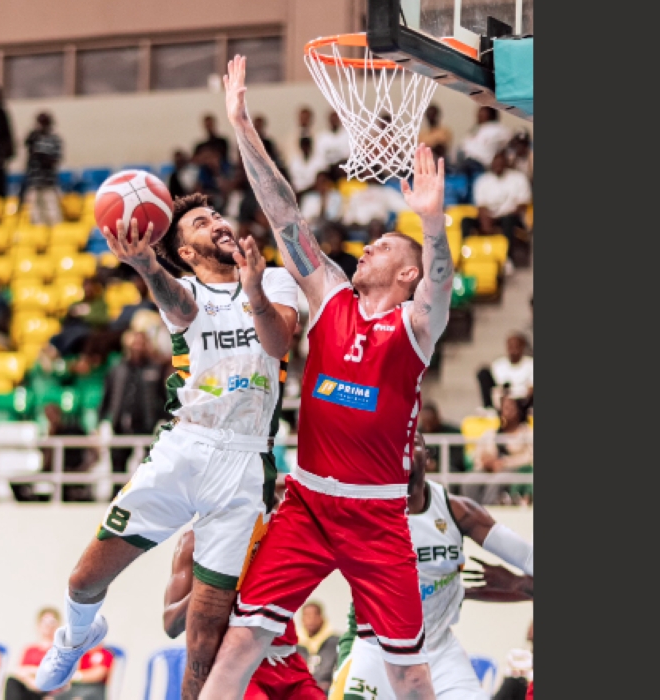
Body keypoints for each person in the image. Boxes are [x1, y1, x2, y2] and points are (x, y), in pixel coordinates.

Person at [200, 56, 457, 700]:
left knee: (409, 671)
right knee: (243, 640)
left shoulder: (416, 326)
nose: (368, 246)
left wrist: (430, 223)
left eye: (385, 247)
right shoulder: (331, 295)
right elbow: (285, 214)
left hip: (376, 514)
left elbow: (442, 283)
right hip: (308, 500)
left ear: (407, 273)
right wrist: (242, 126)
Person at [31, 193, 299, 700]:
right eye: (203, 222)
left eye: (218, 215)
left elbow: (278, 343)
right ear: (188, 252)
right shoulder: (184, 291)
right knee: (84, 582)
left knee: (203, 641)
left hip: (245, 466)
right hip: (183, 449)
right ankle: (76, 636)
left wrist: (254, 289)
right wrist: (147, 266)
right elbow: (178, 304)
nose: (218, 222)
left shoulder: (273, 279)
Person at [329, 432, 534, 700]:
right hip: (375, 649)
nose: (403, 450)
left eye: (412, 443)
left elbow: (529, 558)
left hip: (438, 652)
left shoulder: (458, 511)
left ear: (428, 457)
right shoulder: (367, 512)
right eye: (395, 444)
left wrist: (521, 584)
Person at [163, 529, 326, 700]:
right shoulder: (194, 541)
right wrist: (211, 586)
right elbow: (171, 625)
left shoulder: (280, 527)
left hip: (287, 661)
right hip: (238, 665)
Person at [99, 330, 169, 479]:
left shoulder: (155, 369)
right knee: (117, 469)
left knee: (146, 470)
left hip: (146, 427)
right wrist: (103, 421)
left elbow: (163, 398)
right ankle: (117, 499)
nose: (137, 346)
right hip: (120, 427)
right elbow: (107, 397)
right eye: (134, 342)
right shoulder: (117, 369)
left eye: (141, 342)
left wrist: (164, 420)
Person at [461, 153, 531, 250]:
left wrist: (507, 215)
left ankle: (507, 256)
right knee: (465, 221)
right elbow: (481, 205)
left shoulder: (518, 178)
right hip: (489, 217)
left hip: (511, 216)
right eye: (496, 163)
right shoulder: (483, 180)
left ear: (506, 163)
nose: (498, 165)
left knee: (508, 221)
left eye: (501, 163)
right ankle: (466, 252)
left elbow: (523, 204)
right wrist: (486, 221)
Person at [472, 397, 534, 506]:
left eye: (512, 408)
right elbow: (478, 454)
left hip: (514, 469)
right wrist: (486, 461)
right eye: (506, 408)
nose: (508, 411)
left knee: (498, 479)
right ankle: (469, 510)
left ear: (519, 410)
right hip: (489, 468)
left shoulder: (527, 432)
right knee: (470, 480)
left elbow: (530, 457)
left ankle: (487, 509)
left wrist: (505, 462)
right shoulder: (491, 433)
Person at [8, 608, 61, 700]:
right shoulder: (29, 649)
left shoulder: (60, 649)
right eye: (45, 621)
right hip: (31, 687)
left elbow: (56, 673)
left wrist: (31, 671)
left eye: (51, 621)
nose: (48, 625)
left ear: (57, 625)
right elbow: (21, 672)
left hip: (51, 691)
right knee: (12, 681)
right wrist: (32, 682)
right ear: (38, 625)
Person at [23, 112, 64, 226]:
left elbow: (55, 160)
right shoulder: (34, 138)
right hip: (34, 182)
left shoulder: (54, 140)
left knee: (52, 212)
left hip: (48, 182)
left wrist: (41, 156)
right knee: (35, 214)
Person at [477, 333, 533, 410]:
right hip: (503, 400)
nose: (513, 351)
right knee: (483, 372)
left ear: (522, 347)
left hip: (523, 402)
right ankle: (489, 408)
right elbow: (497, 388)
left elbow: (530, 389)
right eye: (510, 347)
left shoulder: (530, 364)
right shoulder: (498, 364)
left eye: (516, 347)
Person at [296, 601, 339, 692]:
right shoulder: (295, 645)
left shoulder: (336, 643)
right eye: (307, 616)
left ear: (321, 618)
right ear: (302, 619)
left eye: (315, 615)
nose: (311, 620)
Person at [459, 107, 512, 179]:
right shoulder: (475, 129)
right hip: (466, 162)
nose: (479, 115)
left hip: (482, 165)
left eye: (482, 113)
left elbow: (509, 142)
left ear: (491, 114)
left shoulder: (498, 129)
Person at [416, 402, 466, 476]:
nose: (428, 426)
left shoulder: (453, 433)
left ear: (437, 417)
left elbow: (458, 460)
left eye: (431, 422)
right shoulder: (416, 435)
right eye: (425, 422)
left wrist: (436, 466)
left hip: (449, 470)